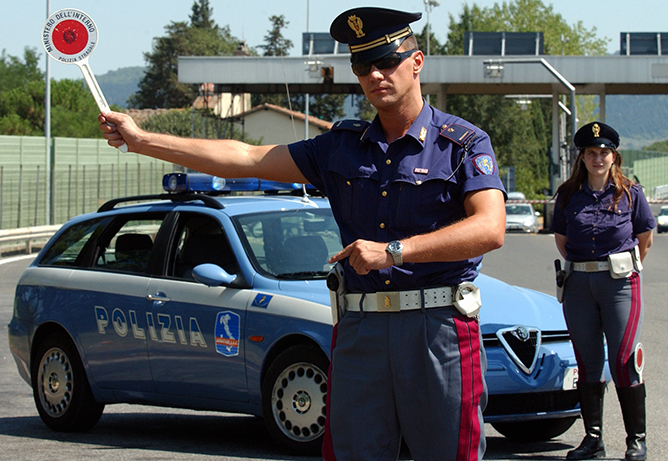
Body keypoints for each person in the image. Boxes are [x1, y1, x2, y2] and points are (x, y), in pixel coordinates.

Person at [99, 7, 506, 460]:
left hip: (436, 328)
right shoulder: (340, 146)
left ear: (417, 61)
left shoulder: (463, 143)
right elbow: (247, 157)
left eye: (387, 61)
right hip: (361, 328)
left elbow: (490, 227)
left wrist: (395, 251)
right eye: (362, 65)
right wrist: (142, 141)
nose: (375, 74)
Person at [550, 122, 655, 461]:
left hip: (620, 283)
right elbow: (563, 242)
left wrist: (618, 267)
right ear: (582, 156)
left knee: (624, 360)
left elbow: (644, 239)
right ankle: (593, 439)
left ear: (614, 156)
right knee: (588, 361)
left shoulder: (630, 194)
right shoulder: (568, 195)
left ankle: (635, 441)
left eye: (604, 152)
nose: (598, 158)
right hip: (579, 283)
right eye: (591, 152)